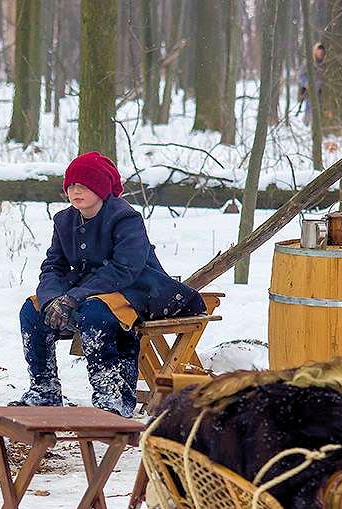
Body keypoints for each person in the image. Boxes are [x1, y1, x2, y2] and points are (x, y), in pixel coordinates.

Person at [11, 152, 205, 417]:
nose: (75, 191)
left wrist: (75, 297)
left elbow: (126, 268)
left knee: (95, 313)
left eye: (84, 185)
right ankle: (44, 389)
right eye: (71, 185)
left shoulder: (126, 218)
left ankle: (111, 395)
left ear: (101, 188)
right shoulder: (64, 220)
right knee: (32, 310)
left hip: (136, 288)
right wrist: (52, 300)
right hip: (88, 290)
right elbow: (53, 266)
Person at [297, 42, 326, 125]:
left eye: (321, 52)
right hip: (311, 92)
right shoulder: (308, 63)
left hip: (323, 92)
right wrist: (307, 83)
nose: (320, 53)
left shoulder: (326, 63)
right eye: (318, 51)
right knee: (309, 112)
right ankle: (306, 128)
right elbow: (300, 76)